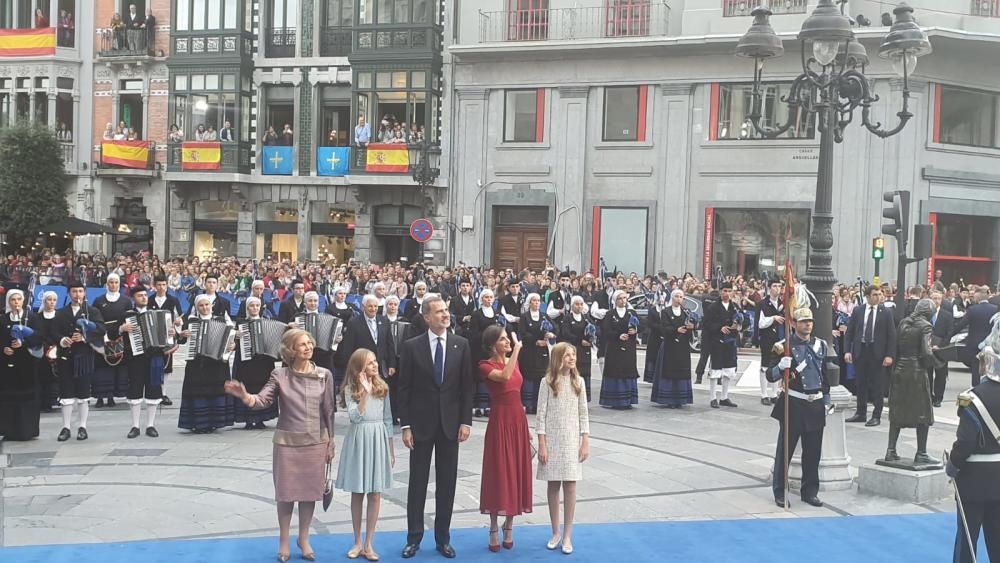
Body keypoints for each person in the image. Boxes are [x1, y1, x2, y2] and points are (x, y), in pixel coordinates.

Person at [225, 328, 336, 563]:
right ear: (290, 350)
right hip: (287, 444)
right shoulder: (280, 375)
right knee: (285, 495)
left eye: (309, 343)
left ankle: (303, 539)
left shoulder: (324, 374)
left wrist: (331, 441)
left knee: (309, 494)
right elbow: (263, 400)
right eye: (302, 344)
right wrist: (245, 396)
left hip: (316, 442)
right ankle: (284, 540)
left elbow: (328, 411)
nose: (308, 347)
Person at [397, 294, 474, 559]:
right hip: (420, 424)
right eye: (439, 311)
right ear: (426, 317)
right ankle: (414, 537)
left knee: (447, 483)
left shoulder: (460, 345)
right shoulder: (411, 346)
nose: (445, 315)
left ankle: (443, 538)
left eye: (446, 310)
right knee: (417, 482)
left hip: (451, 424)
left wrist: (466, 421)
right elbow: (403, 388)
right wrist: (405, 425)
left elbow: (467, 387)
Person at [947, 315, 1000, 563]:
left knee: (967, 542)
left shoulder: (972, 397)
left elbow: (966, 442)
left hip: (973, 479)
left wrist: (953, 465)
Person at [768, 308, 834, 508]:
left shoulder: (821, 345)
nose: (808, 325)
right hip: (793, 404)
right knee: (784, 452)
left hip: (814, 404)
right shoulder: (782, 347)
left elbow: (825, 376)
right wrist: (780, 367)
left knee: (813, 452)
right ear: (794, 323)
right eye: (803, 321)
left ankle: (810, 491)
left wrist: (827, 400)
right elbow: (770, 376)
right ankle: (780, 491)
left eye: (810, 321)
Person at [478, 326, 533, 552]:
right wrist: (517, 351)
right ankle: (493, 526)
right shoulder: (485, 365)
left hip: (517, 420)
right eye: (503, 339)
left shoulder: (514, 361)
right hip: (499, 423)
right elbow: (504, 376)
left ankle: (509, 525)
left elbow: (516, 392)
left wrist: (527, 430)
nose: (509, 342)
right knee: (499, 473)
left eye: (508, 339)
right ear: (493, 344)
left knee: (517, 472)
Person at [336, 348, 395, 561]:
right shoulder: (352, 388)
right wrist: (365, 392)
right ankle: (357, 541)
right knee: (358, 491)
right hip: (359, 438)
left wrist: (391, 448)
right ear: (359, 367)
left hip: (378, 438)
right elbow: (355, 417)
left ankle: (369, 543)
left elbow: (388, 419)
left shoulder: (383, 387)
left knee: (375, 493)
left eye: (375, 362)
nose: (375, 365)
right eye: (370, 363)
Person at [536, 342, 590, 556]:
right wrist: (542, 443)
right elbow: (541, 414)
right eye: (567, 355)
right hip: (552, 439)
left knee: (570, 484)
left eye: (573, 354)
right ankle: (555, 531)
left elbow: (583, 413)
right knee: (553, 485)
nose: (572, 358)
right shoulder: (547, 382)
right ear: (558, 358)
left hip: (571, 440)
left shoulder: (579, 381)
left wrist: (585, 440)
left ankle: (568, 534)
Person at [884, 299, 943, 465]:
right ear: (929, 313)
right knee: (923, 412)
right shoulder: (925, 326)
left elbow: (896, 346)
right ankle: (921, 452)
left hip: (899, 371)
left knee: (897, 410)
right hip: (916, 373)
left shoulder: (904, 322)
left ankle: (891, 450)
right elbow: (925, 352)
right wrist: (938, 361)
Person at [119, 285, 175, 438]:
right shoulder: (127, 315)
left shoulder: (158, 314)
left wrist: (171, 333)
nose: (143, 297)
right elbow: (111, 333)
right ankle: (135, 426)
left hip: (154, 357)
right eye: (139, 295)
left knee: (153, 390)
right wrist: (121, 328)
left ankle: (150, 425)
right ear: (133, 298)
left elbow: (169, 339)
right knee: (135, 391)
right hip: (135, 358)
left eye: (145, 295)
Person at [54, 283, 106, 441]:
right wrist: (62, 340)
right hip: (66, 357)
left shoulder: (92, 311)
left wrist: (84, 338)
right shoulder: (61, 313)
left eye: (80, 291)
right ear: (69, 294)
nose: (77, 294)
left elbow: (101, 329)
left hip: (84, 357)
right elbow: (53, 331)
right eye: (74, 291)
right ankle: (66, 427)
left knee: (84, 393)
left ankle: (82, 426)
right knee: (66, 393)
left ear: (84, 293)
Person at [177, 294, 235, 433]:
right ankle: (199, 423)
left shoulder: (221, 321)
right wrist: (181, 334)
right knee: (198, 392)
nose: (204, 308)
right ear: (197, 308)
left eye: (207, 305)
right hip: (197, 364)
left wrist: (232, 345)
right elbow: (181, 340)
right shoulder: (191, 321)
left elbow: (230, 338)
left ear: (211, 306)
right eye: (201, 305)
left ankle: (215, 422)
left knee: (216, 391)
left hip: (217, 364)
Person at [845, 285, 897, 427]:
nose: (878, 297)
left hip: (878, 352)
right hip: (861, 350)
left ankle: (876, 415)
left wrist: (890, 355)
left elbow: (891, 335)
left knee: (877, 385)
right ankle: (860, 413)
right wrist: (847, 351)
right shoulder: (858, 310)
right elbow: (850, 332)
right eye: (875, 294)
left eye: (880, 294)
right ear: (867, 296)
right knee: (860, 383)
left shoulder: (886, 312)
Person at [234, 296, 280, 430]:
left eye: (257, 306)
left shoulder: (267, 322)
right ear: (247, 308)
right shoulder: (241, 323)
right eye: (251, 306)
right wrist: (235, 335)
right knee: (248, 388)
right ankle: (248, 419)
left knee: (263, 388)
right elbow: (233, 342)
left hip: (263, 363)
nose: (254, 308)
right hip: (246, 361)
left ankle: (261, 419)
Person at [0, 290, 41, 441]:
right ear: (8, 302)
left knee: (27, 398)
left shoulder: (31, 318)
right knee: (9, 398)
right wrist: (4, 348)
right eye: (13, 300)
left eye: (19, 299)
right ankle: (9, 430)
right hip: (7, 365)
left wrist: (23, 343)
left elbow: (39, 338)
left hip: (27, 364)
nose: (16, 302)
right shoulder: (3, 319)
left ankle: (27, 430)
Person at [651, 289, 696, 408]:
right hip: (669, 346)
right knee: (669, 370)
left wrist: (692, 327)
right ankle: (669, 398)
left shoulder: (686, 312)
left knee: (681, 370)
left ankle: (680, 398)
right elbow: (663, 328)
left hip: (682, 346)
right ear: (672, 298)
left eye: (681, 297)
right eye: (676, 296)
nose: (679, 299)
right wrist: (676, 330)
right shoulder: (666, 312)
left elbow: (692, 326)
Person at [92, 273, 132, 408]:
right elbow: (94, 318)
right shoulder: (98, 300)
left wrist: (121, 330)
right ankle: (99, 397)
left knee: (116, 367)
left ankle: (111, 396)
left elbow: (129, 318)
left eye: (116, 282)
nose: (113, 285)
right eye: (111, 282)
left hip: (119, 336)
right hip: (102, 336)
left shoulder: (126, 301)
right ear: (107, 284)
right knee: (101, 368)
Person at [597, 290, 639, 409]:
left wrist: (635, 330)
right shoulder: (610, 314)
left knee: (627, 370)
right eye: (620, 298)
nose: (623, 300)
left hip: (629, 346)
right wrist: (617, 335)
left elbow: (641, 325)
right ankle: (614, 400)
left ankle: (628, 400)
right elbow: (606, 330)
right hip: (614, 348)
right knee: (615, 371)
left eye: (625, 298)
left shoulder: (631, 313)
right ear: (615, 301)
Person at [704, 282, 741, 409]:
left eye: (729, 290)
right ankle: (713, 397)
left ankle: (724, 397)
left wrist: (738, 325)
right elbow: (707, 324)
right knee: (715, 370)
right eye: (724, 290)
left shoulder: (734, 306)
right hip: (717, 342)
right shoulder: (713, 307)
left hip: (730, 342)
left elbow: (742, 320)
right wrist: (720, 328)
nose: (727, 293)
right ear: (720, 292)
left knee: (728, 370)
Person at [148, 275, 183, 406]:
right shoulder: (149, 300)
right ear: (154, 286)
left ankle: (163, 393)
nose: (161, 287)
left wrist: (178, 325)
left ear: (167, 286)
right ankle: (153, 391)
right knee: (152, 364)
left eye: (164, 285)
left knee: (167, 367)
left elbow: (179, 318)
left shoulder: (173, 300)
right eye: (159, 285)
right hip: (152, 337)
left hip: (168, 337)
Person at [469, 289, 504, 416]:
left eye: (490, 297)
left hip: (493, 351)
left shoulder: (497, 313)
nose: (489, 300)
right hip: (480, 349)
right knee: (480, 377)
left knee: (492, 376)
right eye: (486, 297)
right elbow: (473, 334)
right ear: (482, 299)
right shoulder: (476, 314)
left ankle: (490, 405)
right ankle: (479, 406)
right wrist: (488, 334)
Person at [954, 288, 999, 388]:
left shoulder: (973, 309)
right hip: (991, 344)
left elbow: (961, 325)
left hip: (974, 344)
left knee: (975, 368)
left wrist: (948, 336)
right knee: (990, 367)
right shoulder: (995, 309)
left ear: (977, 298)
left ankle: (976, 387)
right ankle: (988, 388)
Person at [518, 293, 552, 414]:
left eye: (538, 301)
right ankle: (528, 404)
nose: (536, 303)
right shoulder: (524, 317)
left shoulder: (544, 316)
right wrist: (535, 341)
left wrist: (551, 335)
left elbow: (555, 328)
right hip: (529, 350)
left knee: (541, 377)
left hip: (542, 351)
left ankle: (539, 404)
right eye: (534, 300)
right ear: (529, 302)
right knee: (528, 377)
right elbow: (522, 332)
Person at [558, 296, 595, 402]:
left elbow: (595, 329)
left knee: (585, 373)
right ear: (572, 305)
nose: (579, 306)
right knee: (574, 372)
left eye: (581, 304)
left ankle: (584, 397)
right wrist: (580, 340)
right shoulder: (567, 318)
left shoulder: (586, 317)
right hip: (573, 350)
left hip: (585, 350)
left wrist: (592, 338)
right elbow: (566, 333)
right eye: (577, 304)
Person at [757, 279, 785, 405]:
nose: (777, 288)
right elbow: (760, 323)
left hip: (780, 339)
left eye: (779, 286)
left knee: (778, 365)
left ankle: (774, 394)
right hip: (767, 338)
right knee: (765, 366)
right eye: (774, 286)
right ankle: (764, 394)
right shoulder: (762, 304)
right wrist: (773, 318)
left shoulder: (783, 303)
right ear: (769, 288)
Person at [35, 291, 61, 413]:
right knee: (42, 377)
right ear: (44, 301)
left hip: (56, 350)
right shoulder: (37, 317)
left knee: (53, 378)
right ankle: (41, 402)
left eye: (54, 300)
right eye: (49, 300)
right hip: (41, 350)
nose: (51, 302)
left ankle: (51, 401)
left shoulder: (60, 316)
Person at [928, 290, 954, 408]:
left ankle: (938, 398)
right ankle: (928, 396)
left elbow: (950, 333)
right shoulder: (925, 314)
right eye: (934, 298)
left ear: (942, 300)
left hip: (941, 349)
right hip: (926, 349)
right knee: (927, 374)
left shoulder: (946, 315)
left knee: (941, 374)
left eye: (938, 298)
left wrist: (940, 346)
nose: (936, 301)